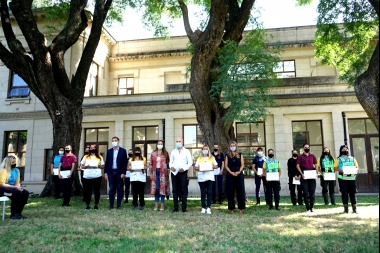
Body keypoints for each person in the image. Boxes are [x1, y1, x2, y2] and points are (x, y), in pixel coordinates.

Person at [169, 137, 193, 213]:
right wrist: (171, 167)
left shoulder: (186, 151)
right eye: (177, 141)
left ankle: (184, 208)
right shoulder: (173, 151)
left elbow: (190, 163)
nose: (178, 142)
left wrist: (184, 168)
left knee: (184, 190)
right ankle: (175, 208)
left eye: (179, 141)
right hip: (174, 173)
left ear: (182, 142)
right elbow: (170, 162)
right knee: (175, 190)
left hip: (183, 173)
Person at [334, 145, 359, 213]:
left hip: (351, 178)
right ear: (341, 151)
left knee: (353, 193)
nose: (345, 150)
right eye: (343, 149)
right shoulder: (338, 159)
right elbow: (335, 168)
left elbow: (356, 167)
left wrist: (355, 170)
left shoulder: (352, 158)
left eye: (346, 149)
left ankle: (354, 208)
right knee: (344, 193)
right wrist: (341, 170)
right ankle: (346, 209)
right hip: (342, 178)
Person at [104, 136, 127, 209]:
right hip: (111, 172)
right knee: (111, 189)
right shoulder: (109, 151)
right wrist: (105, 173)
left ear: (118, 141)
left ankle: (118, 204)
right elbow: (107, 162)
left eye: (115, 140)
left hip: (119, 172)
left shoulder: (123, 151)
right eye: (113, 140)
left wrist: (123, 172)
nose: (114, 141)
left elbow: (124, 163)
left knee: (119, 188)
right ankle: (111, 204)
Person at [195, 145, 219, 214]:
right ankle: (203, 207)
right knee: (203, 193)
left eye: (206, 149)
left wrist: (212, 166)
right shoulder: (199, 158)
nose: (205, 150)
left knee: (209, 192)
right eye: (204, 149)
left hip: (209, 177)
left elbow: (216, 165)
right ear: (202, 150)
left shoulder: (212, 157)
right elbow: (196, 167)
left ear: (208, 150)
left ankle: (208, 207)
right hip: (201, 178)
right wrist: (200, 168)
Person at [80, 144, 105, 210]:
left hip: (97, 176)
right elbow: (81, 166)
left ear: (96, 149)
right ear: (89, 149)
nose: (92, 149)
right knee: (87, 191)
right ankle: (87, 204)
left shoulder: (99, 157)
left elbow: (103, 166)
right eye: (91, 148)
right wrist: (85, 166)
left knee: (97, 191)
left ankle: (96, 204)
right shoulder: (85, 157)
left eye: (94, 148)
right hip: (87, 176)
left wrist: (99, 166)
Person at [225, 141, 246, 214]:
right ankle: (231, 208)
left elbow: (242, 165)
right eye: (231, 145)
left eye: (234, 145)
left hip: (239, 174)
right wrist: (231, 172)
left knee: (240, 191)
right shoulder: (227, 155)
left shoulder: (240, 155)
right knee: (230, 191)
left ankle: (241, 208)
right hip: (230, 174)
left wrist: (239, 171)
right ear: (229, 147)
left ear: (236, 146)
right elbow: (226, 166)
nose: (232, 146)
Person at [296, 143, 318, 212]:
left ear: (309, 148)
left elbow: (316, 164)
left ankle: (312, 207)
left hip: (312, 176)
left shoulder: (312, 156)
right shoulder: (300, 157)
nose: (307, 148)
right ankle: (307, 208)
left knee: (312, 192)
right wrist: (301, 174)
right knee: (305, 192)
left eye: (308, 147)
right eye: (305, 147)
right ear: (303, 148)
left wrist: (316, 172)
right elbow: (297, 166)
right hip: (304, 176)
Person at [150, 140, 170, 211]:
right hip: (155, 173)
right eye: (159, 144)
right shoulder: (153, 153)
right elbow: (150, 164)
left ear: (163, 145)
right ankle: (156, 205)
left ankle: (162, 205)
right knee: (156, 189)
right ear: (156, 145)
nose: (160, 145)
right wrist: (151, 174)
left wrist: (168, 173)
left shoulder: (166, 153)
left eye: (161, 144)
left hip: (163, 174)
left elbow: (168, 164)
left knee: (162, 189)